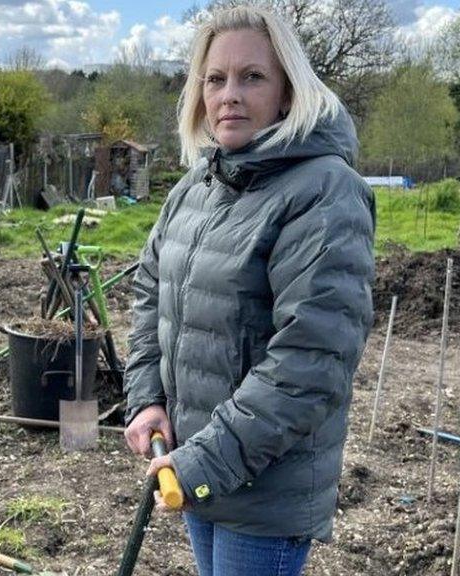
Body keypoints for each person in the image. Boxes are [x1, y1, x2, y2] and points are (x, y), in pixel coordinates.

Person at [122, 5, 375, 576]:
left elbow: (311, 360)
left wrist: (204, 463)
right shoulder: (194, 189)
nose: (228, 95)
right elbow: (148, 293)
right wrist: (147, 398)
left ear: (287, 92)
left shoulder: (324, 192)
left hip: (263, 490)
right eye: (216, 78)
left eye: (251, 77)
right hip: (197, 470)